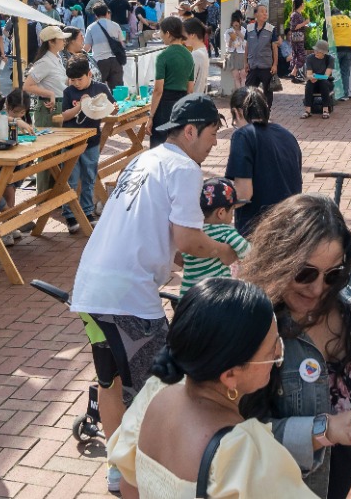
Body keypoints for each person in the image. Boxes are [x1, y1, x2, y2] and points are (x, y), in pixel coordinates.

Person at [107, 278, 351, 499]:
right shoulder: (243, 451)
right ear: (230, 376)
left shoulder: (156, 390)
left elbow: (129, 485)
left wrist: (328, 429)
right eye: (272, 352)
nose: (280, 355)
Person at [69, 94, 239, 495]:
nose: (216, 142)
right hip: (126, 296)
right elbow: (190, 239)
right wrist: (223, 251)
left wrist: (181, 258)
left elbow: (162, 236)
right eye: (213, 134)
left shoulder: (146, 159)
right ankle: (146, 475)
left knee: (110, 382)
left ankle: (119, 469)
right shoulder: (185, 168)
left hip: (91, 287)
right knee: (158, 390)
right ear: (191, 131)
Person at [239, 195, 351, 498]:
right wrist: (325, 429)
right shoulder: (255, 325)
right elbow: (242, 436)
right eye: (305, 273)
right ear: (277, 261)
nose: (317, 288)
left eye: (333, 274)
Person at [225, 88, 303, 236]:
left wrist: (213, 208)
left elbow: (243, 194)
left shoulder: (243, 135)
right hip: (291, 224)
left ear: (237, 112)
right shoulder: (287, 135)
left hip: (259, 230)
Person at [56, 59, 114, 223]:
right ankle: (70, 215)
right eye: (72, 80)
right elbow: (64, 116)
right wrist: (81, 105)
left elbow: (112, 106)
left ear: (89, 74)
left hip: (91, 142)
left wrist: (112, 108)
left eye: (79, 79)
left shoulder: (100, 88)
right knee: (71, 180)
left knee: (89, 178)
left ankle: (88, 211)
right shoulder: (69, 92)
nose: (76, 83)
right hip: (71, 142)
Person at [180, 177, 253, 294]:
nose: (232, 216)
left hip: (188, 294)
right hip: (215, 294)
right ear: (221, 213)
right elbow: (247, 252)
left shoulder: (190, 232)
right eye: (232, 211)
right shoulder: (225, 231)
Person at [149, 17, 194, 137]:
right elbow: (190, 89)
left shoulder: (163, 56)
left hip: (165, 106)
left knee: (161, 143)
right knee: (178, 142)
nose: (160, 35)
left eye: (161, 31)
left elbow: (158, 90)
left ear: (168, 33)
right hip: (182, 104)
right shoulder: (189, 55)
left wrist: (151, 116)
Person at [243, 3, 279, 106]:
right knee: (249, 91)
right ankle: (250, 110)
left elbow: (274, 48)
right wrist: (245, 62)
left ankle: (266, 111)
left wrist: (275, 64)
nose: (265, 14)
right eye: (262, 12)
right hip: (253, 66)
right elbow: (247, 47)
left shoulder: (271, 29)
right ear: (256, 14)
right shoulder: (249, 28)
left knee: (268, 92)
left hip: (266, 66)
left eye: (266, 12)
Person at [85, 1, 126, 90]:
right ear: (107, 13)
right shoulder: (115, 25)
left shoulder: (91, 28)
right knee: (117, 89)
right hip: (115, 61)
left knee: (98, 90)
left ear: (95, 15)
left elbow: (87, 48)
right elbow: (122, 44)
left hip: (100, 61)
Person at [302, 40, 335, 119]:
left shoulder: (330, 59)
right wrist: (311, 77)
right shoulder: (310, 58)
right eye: (315, 50)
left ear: (324, 52)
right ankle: (307, 110)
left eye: (318, 51)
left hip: (326, 82)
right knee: (309, 84)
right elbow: (309, 74)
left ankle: (325, 110)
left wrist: (316, 76)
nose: (316, 52)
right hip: (314, 81)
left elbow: (326, 76)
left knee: (323, 82)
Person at [184, 17, 212, 97]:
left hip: (192, 99)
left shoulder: (196, 54)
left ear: (192, 35)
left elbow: (189, 86)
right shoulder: (202, 50)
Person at [224, 10, 247, 100]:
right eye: (234, 21)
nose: (236, 23)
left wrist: (239, 34)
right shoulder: (228, 31)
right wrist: (231, 39)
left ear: (240, 21)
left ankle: (243, 95)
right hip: (232, 55)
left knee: (243, 75)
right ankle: (240, 95)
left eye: (237, 21)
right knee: (236, 76)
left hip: (242, 54)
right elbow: (228, 46)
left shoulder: (244, 30)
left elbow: (246, 43)